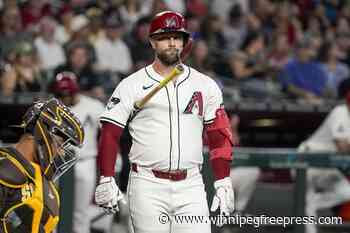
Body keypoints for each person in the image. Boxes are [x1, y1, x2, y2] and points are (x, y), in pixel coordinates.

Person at [94, 11, 235, 233]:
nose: (171, 43)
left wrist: (223, 180)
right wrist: (106, 177)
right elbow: (110, 133)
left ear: (184, 41)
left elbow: (219, 136)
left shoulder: (205, 85)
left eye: (177, 37)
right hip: (147, 184)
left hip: (191, 184)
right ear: (152, 41)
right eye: (164, 37)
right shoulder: (131, 84)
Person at [0, 97, 84, 233]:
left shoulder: (44, 184)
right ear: (44, 132)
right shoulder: (5, 170)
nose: (61, 153)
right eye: (61, 143)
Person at [49, 72, 111, 233]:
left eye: (67, 93)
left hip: (84, 161)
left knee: (81, 213)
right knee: (53, 211)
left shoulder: (92, 106)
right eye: (60, 94)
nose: (64, 97)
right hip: (58, 163)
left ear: (75, 91)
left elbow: (110, 131)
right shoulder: (53, 106)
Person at [298, 78, 350, 233]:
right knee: (308, 223)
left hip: (327, 166)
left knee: (346, 192)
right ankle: (307, 205)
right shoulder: (341, 112)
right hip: (308, 161)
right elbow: (342, 147)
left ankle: (311, 202)